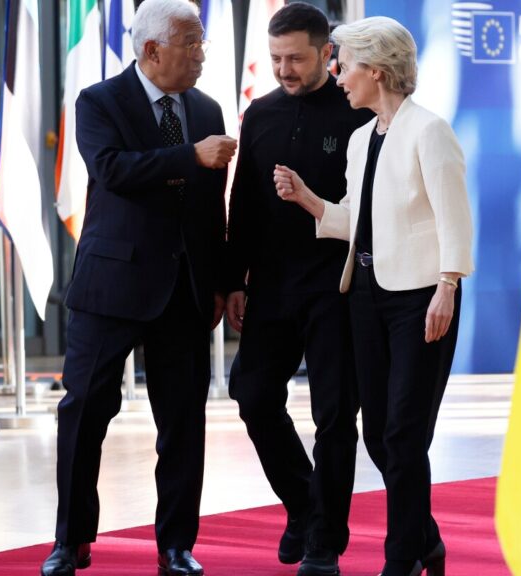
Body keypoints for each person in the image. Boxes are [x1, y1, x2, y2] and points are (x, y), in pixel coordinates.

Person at [40, 0, 237, 574]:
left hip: (184, 290)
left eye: (201, 42)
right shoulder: (99, 101)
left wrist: (222, 281)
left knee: (183, 424)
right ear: (153, 50)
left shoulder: (207, 108)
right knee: (83, 412)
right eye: (191, 44)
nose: (201, 54)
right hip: (112, 285)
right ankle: (71, 540)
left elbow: (212, 209)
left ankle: (176, 546)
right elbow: (112, 170)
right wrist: (189, 156)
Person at [274, 16, 474, 576]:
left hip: (421, 299)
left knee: (403, 434)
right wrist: (309, 200)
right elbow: (359, 221)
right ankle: (426, 540)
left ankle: (402, 558)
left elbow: (455, 219)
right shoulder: (362, 138)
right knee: (381, 436)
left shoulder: (429, 131)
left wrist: (447, 286)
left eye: (346, 66)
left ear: (377, 71)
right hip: (364, 295)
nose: (338, 77)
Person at [222, 4, 372, 575]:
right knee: (253, 394)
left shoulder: (357, 112)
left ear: (326, 53)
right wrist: (234, 280)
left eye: (296, 59)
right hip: (272, 287)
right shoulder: (259, 114)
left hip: (337, 287)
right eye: (276, 58)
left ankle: (324, 541)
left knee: (335, 416)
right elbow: (244, 204)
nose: (284, 69)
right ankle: (304, 505)